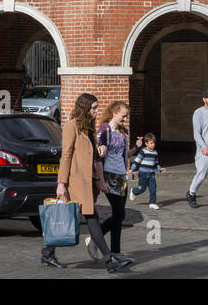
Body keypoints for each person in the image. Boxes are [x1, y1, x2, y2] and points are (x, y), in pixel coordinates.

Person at [44, 92, 131, 272]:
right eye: (93, 108)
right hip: (74, 181)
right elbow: (66, 155)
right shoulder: (72, 126)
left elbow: (92, 156)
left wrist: (99, 151)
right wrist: (61, 183)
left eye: (97, 107)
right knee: (90, 218)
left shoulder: (89, 128)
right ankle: (109, 260)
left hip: (87, 181)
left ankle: (47, 253)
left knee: (73, 218)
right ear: (84, 108)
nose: (96, 111)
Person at [88, 101, 136, 262]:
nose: (125, 119)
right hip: (109, 175)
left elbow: (123, 155)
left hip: (121, 175)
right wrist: (101, 180)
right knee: (120, 213)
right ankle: (95, 238)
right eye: (123, 115)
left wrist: (136, 148)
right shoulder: (104, 130)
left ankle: (116, 252)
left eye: (127, 116)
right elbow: (98, 157)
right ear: (114, 113)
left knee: (118, 216)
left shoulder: (122, 132)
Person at [129, 132, 165, 208]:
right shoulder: (143, 151)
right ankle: (134, 191)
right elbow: (137, 161)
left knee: (153, 189)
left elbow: (156, 164)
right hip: (143, 174)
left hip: (151, 174)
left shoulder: (155, 153)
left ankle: (152, 203)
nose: (153, 145)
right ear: (146, 143)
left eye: (154, 143)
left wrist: (159, 169)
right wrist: (132, 169)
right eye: (151, 143)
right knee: (142, 189)